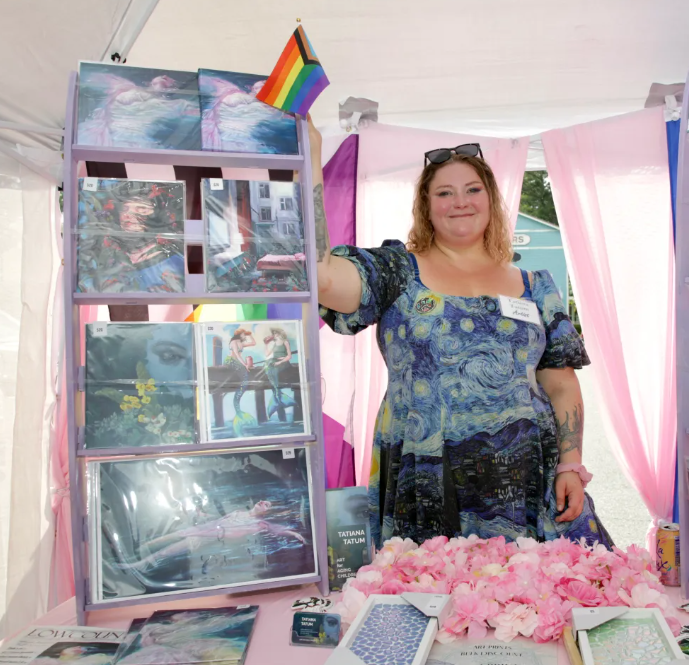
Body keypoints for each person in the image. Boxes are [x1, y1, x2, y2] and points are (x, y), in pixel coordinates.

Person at [309, 119, 610, 548]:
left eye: (472, 190)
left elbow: (561, 385)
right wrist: (311, 160)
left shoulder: (536, 285)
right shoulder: (396, 270)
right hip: (429, 481)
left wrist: (570, 465)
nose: (460, 202)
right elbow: (321, 279)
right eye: (444, 193)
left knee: (537, 606)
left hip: (528, 483)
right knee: (435, 601)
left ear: (491, 199)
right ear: (426, 207)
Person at [117, 500, 306, 571]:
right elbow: (218, 518)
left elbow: (278, 530)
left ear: (266, 513)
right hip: (208, 528)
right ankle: (143, 547)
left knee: (171, 550)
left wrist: (294, 534)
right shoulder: (238, 511)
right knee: (177, 533)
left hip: (211, 537)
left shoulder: (260, 524)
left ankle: (138, 564)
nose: (263, 503)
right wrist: (202, 516)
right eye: (263, 501)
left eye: (267, 505)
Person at [264, 327, 294, 420]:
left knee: (275, 370)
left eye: (275, 333)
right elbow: (267, 354)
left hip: (284, 362)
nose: (274, 335)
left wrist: (280, 362)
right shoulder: (274, 344)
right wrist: (266, 345)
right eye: (273, 333)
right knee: (267, 368)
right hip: (275, 361)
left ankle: (277, 394)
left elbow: (289, 356)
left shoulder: (285, 342)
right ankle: (277, 394)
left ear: (280, 333)